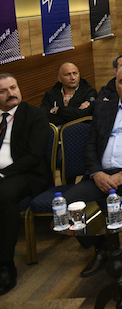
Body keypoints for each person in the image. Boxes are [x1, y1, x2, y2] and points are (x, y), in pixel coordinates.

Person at [64, 64, 122, 276]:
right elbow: (89, 145)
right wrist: (96, 173)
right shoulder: (103, 109)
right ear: (116, 85)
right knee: (69, 204)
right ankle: (100, 246)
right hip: (100, 174)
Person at [0, 74, 50, 296]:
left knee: (3, 194)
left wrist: (3, 173)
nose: (11, 93)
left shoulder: (34, 115)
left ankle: (5, 266)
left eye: (13, 87)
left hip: (27, 174)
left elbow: (33, 155)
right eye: (3, 91)